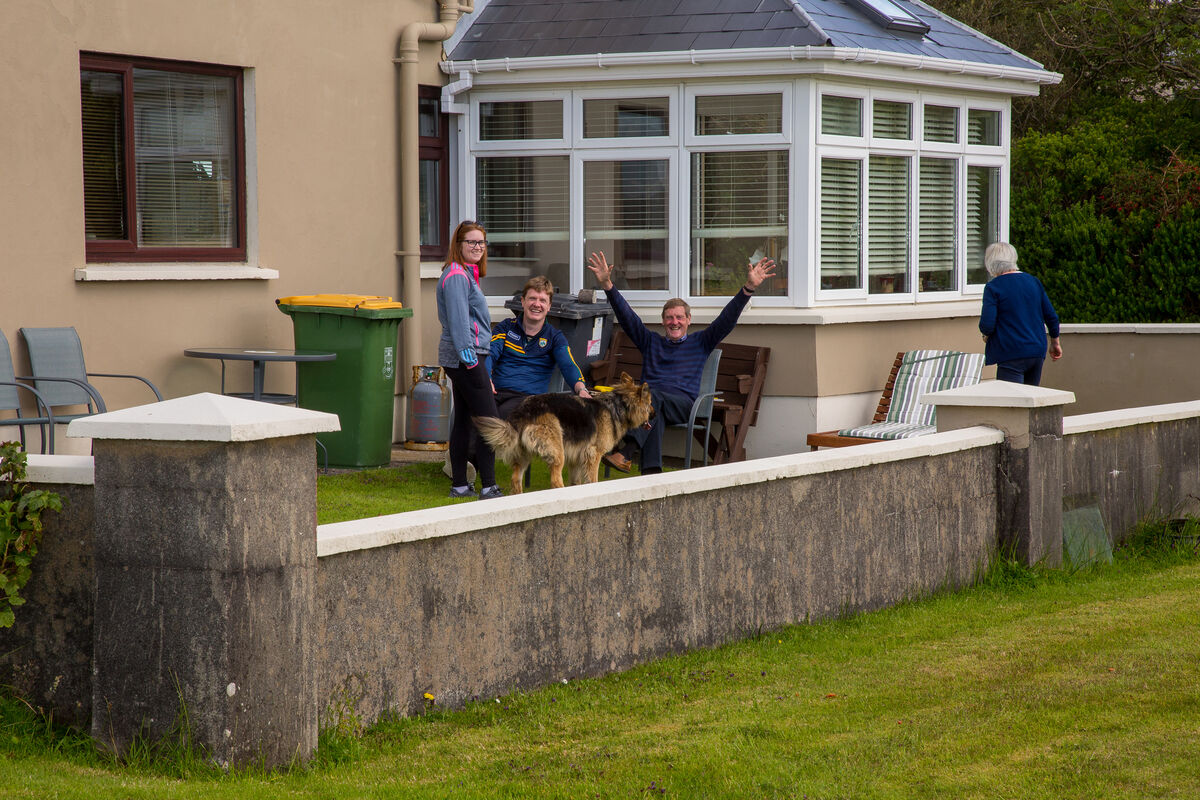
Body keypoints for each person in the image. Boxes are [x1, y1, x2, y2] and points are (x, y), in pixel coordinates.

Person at [586, 251, 776, 474]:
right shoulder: (650, 342)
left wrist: (748, 289)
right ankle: (652, 475)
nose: (674, 322)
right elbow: (627, 317)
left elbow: (726, 319)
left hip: (685, 405)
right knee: (654, 411)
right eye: (669, 317)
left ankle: (627, 451)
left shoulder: (701, 342)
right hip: (653, 406)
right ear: (663, 321)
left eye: (679, 317)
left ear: (688, 320)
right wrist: (607, 285)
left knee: (652, 397)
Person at [436, 221, 504, 500]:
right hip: (466, 357)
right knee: (490, 420)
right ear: (458, 245)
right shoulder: (456, 276)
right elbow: (458, 320)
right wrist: (472, 360)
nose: (477, 247)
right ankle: (489, 486)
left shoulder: (466, 274)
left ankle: (461, 485)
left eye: (481, 243)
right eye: (471, 242)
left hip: (468, 357)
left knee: (464, 419)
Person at [489, 275, 592, 418]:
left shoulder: (555, 337)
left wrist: (581, 389)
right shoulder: (506, 327)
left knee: (500, 418)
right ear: (523, 301)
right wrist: (487, 379)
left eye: (542, 300)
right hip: (495, 392)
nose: (537, 304)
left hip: (528, 399)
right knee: (475, 414)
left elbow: (568, 365)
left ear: (549, 306)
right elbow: (490, 354)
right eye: (532, 298)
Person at [979, 241, 1063, 386]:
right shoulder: (1033, 281)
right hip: (1036, 351)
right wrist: (1055, 343)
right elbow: (1051, 317)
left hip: (1010, 352)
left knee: (1012, 403)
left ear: (990, 263)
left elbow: (987, 325)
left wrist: (986, 335)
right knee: (1029, 402)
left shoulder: (993, 287)